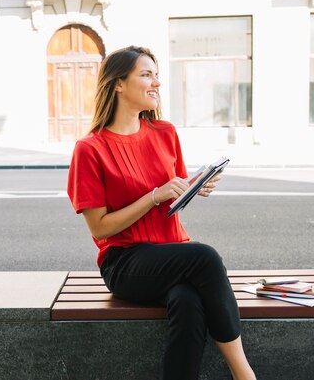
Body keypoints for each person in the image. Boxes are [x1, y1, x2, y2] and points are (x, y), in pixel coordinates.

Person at [67, 45, 257, 380]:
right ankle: (244, 374)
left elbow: (173, 191)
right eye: (146, 75)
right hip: (125, 261)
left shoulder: (165, 132)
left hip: (171, 252)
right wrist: (153, 196)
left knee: (188, 301)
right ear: (118, 84)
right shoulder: (90, 149)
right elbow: (100, 228)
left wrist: (195, 187)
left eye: (157, 75)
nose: (156, 83)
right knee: (206, 258)